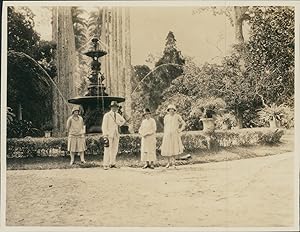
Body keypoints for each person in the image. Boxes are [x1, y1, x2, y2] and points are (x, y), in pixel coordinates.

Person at [102, 101, 126, 170]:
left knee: (115, 149)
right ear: (111, 107)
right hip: (109, 134)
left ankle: (112, 163)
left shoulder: (118, 115)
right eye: (113, 107)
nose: (115, 108)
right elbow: (104, 126)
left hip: (116, 134)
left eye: (116, 107)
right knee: (107, 149)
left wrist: (119, 123)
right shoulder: (107, 115)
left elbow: (123, 121)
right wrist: (105, 135)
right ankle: (105, 164)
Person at [161, 104, 186, 168]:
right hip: (167, 134)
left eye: (172, 109)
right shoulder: (166, 117)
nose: (171, 111)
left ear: (174, 110)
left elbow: (183, 123)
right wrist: (165, 133)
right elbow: (165, 126)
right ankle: (168, 162)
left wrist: (180, 130)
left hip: (175, 135)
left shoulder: (177, 116)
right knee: (168, 148)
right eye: (170, 109)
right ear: (168, 110)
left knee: (174, 148)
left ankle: (174, 162)